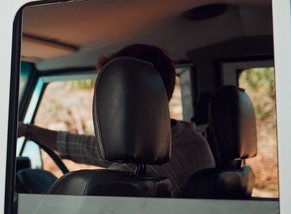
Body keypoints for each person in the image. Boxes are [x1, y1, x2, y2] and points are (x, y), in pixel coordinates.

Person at [19, 44, 215, 197]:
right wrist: (30, 131)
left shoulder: (128, 180)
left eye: (109, 90)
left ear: (124, 96)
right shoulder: (193, 139)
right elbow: (92, 147)